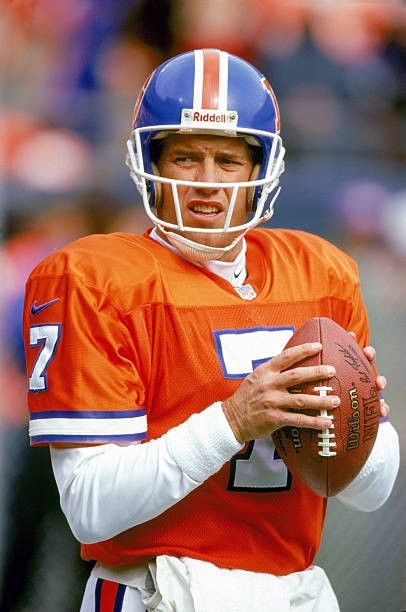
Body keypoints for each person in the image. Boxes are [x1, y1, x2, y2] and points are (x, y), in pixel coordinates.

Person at [23, 49, 399, 611]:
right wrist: (234, 419)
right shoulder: (98, 280)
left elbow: (374, 492)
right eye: (185, 157)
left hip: (294, 591)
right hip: (159, 589)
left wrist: (356, 427)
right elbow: (89, 507)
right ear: (151, 160)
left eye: (228, 161)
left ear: (259, 169)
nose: (207, 182)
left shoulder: (321, 273)